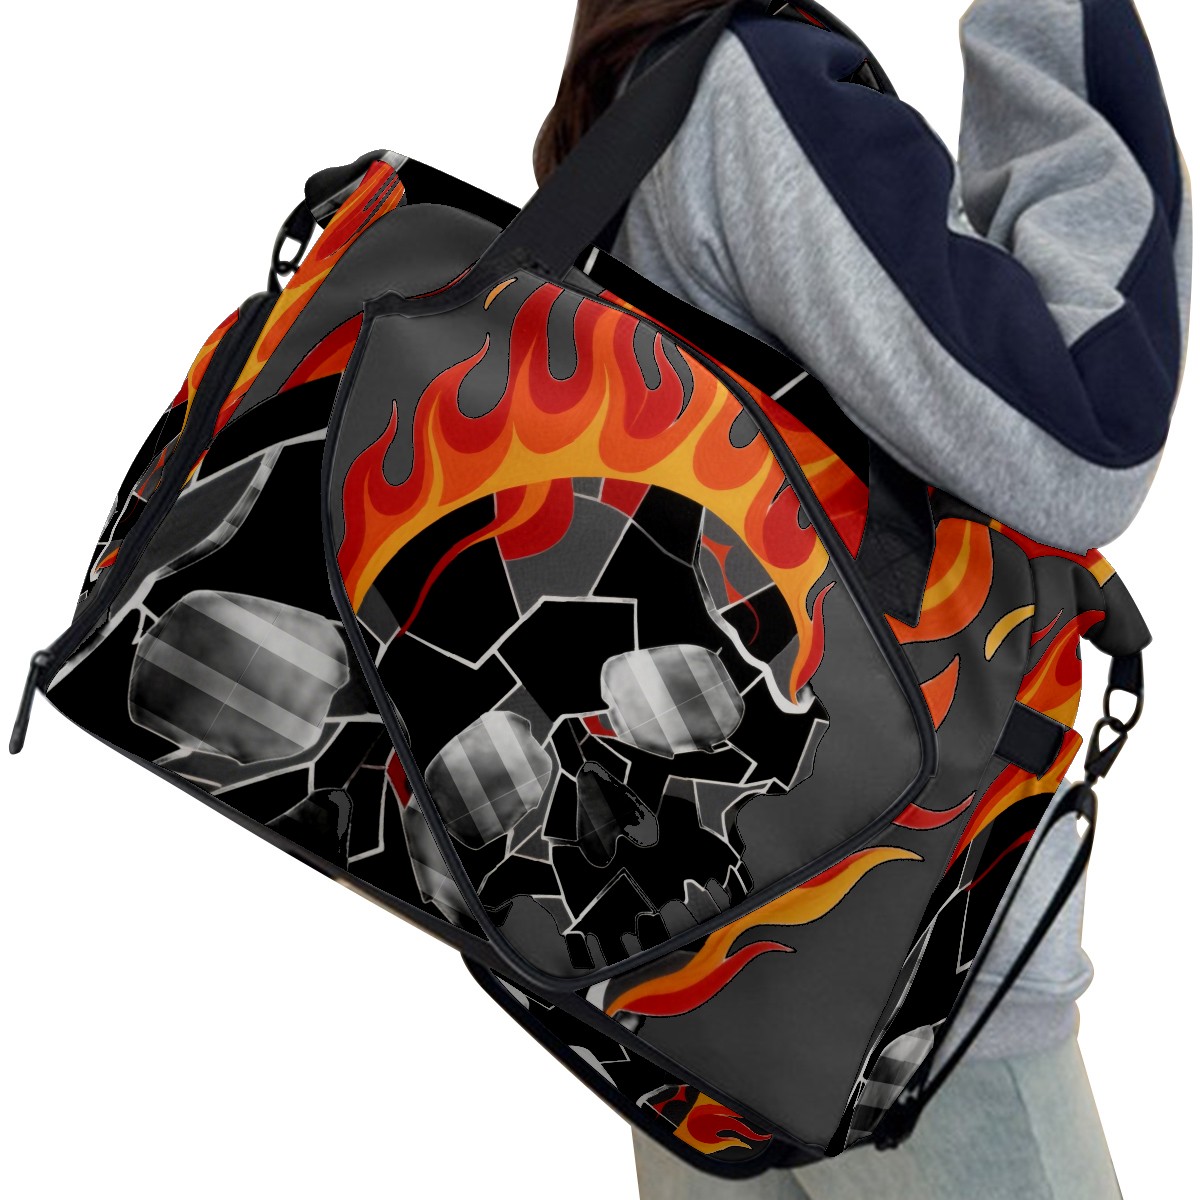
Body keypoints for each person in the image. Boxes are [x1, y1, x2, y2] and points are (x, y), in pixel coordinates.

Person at [534, 2, 1191, 1197]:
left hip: (684, 978)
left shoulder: (626, 121)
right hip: (902, 989)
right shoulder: (756, 91)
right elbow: (1086, 434)